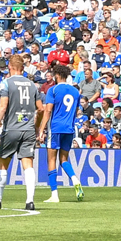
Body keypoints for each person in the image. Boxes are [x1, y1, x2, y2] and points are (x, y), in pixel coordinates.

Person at [0, 56, 45, 211]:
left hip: (11, 129)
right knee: (28, 165)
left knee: (3, 164)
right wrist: (37, 127)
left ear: (10, 67)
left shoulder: (6, 83)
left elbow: (3, 106)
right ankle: (30, 201)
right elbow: (41, 109)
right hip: (28, 130)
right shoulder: (32, 85)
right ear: (22, 68)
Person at [41, 63, 84, 203]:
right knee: (64, 159)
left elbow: (47, 111)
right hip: (69, 129)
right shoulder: (75, 92)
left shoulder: (52, 90)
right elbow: (76, 111)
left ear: (57, 75)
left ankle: (54, 194)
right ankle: (75, 179)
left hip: (55, 128)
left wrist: (41, 129)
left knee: (51, 159)